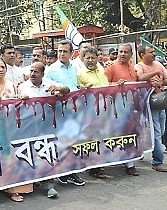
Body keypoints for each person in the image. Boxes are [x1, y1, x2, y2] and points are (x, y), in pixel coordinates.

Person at [0, 59, 33, 201]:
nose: (1, 70)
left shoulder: (11, 85)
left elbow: (15, 101)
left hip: (10, 124)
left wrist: (21, 97)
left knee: (11, 156)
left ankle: (12, 188)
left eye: (3, 67)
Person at [18, 61, 68, 197]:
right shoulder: (23, 87)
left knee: (46, 154)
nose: (32, 74)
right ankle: (35, 180)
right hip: (29, 126)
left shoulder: (49, 84)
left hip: (47, 125)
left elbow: (66, 90)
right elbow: (16, 105)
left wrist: (60, 91)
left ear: (42, 74)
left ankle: (49, 185)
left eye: (36, 72)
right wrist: (21, 99)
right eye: (31, 71)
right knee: (33, 154)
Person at [43, 40, 85, 186]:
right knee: (61, 142)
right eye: (59, 51)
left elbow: (74, 86)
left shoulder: (74, 68)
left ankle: (72, 171)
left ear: (71, 53)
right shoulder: (51, 69)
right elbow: (46, 89)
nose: (61, 54)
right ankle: (63, 172)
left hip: (74, 111)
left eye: (65, 51)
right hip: (59, 112)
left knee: (73, 142)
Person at [104, 43, 140, 176]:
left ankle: (130, 164)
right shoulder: (111, 67)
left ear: (131, 54)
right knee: (114, 134)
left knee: (130, 133)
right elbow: (103, 86)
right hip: (114, 108)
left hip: (130, 106)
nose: (122, 54)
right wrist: (116, 85)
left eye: (125, 52)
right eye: (120, 52)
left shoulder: (132, 66)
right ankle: (110, 160)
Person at [136, 45, 167, 172]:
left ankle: (140, 150)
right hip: (149, 103)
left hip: (161, 101)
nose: (154, 54)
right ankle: (157, 161)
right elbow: (140, 78)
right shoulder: (139, 67)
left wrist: (161, 82)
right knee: (156, 132)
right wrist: (155, 74)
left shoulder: (158, 64)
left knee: (160, 131)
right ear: (142, 55)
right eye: (151, 52)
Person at [76, 46, 110, 178]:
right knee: (91, 139)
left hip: (103, 111)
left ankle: (99, 164)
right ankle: (93, 168)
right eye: (87, 58)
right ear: (83, 59)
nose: (90, 60)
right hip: (88, 113)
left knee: (102, 137)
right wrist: (82, 89)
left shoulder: (102, 72)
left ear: (97, 58)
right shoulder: (79, 74)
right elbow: (76, 94)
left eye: (93, 57)